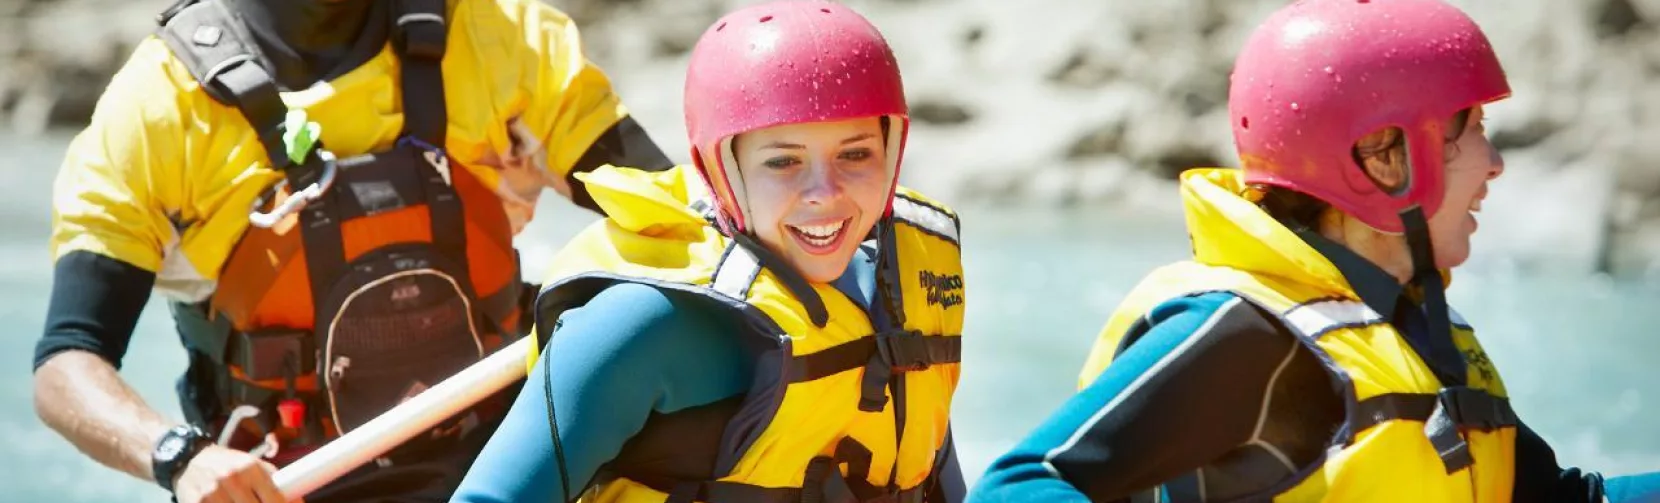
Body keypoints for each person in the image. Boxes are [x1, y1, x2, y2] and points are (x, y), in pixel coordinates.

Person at [968, 0, 1660, 501]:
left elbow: (1570, 498)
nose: (1495, 162)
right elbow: (1022, 483)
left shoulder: (1422, 334)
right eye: (1474, 127)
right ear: (1385, 159)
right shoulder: (1248, 332)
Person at [31, 0, 675, 501]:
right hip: (291, 483)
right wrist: (179, 456)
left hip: (513, 461)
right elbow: (66, 364)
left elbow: (681, 223)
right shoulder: (156, 109)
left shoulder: (505, 39)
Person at [447, 2, 969, 502]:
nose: (825, 192)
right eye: (783, 162)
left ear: (892, 152)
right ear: (722, 170)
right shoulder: (638, 325)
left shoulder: (904, 289)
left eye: (855, 154)